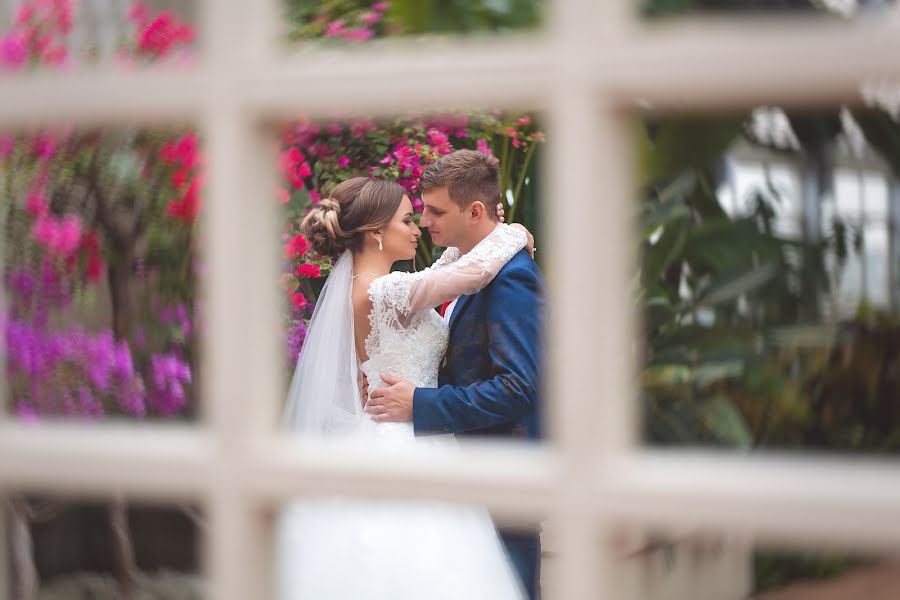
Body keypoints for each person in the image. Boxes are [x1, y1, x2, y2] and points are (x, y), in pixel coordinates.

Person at [276, 173, 534, 600]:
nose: (419, 229)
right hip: (407, 437)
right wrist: (513, 232)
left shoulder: (377, 288)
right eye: (409, 220)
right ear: (376, 232)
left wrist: (488, 230)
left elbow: (446, 267)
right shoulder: (386, 291)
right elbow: (474, 272)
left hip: (397, 426)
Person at [364, 149, 545, 599]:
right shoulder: (470, 266)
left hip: (501, 479)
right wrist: (513, 232)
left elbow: (519, 387)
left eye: (435, 210)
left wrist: (420, 405)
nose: (424, 222)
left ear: (476, 210)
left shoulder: (512, 279)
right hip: (454, 471)